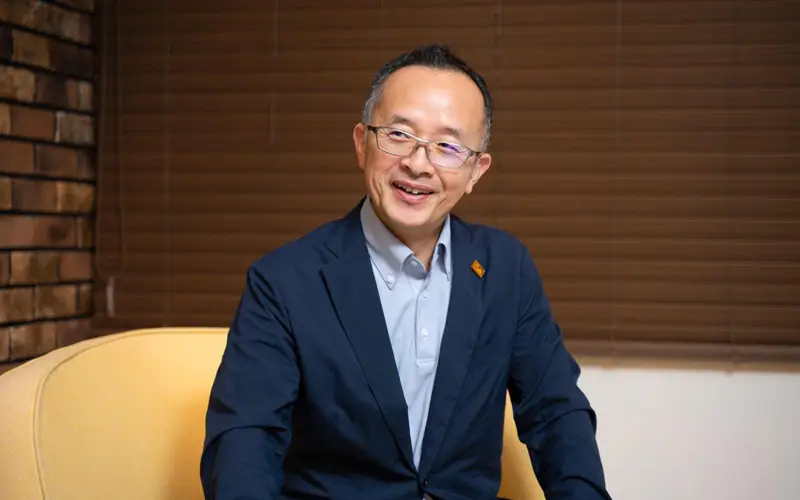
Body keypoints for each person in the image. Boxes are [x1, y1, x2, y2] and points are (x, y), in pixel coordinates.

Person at [200, 44, 612, 500]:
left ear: (476, 171)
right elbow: (244, 442)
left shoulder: (505, 268)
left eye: (448, 147)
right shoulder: (284, 280)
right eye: (398, 135)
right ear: (361, 143)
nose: (418, 164)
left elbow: (556, 415)